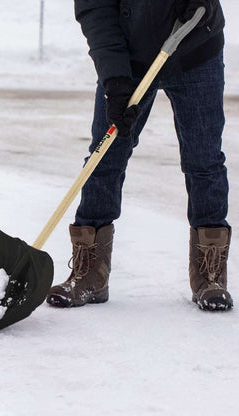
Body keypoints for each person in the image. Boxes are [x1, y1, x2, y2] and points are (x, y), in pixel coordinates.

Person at [46, 0, 233, 311]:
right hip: (130, 58)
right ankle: (89, 273)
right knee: (105, 155)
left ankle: (210, 275)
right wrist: (116, 83)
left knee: (204, 156)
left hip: (195, 44)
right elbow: (96, 12)